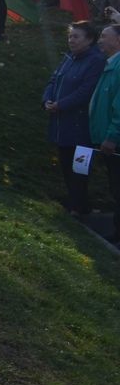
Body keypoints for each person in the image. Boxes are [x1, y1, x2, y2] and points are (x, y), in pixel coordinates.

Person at [44, 22, 105, 216]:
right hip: (62, 124)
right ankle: (77, 202)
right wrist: (47, 100)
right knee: (65, 164)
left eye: (76, 37)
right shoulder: (69, 58)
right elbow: (54, 80)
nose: (71, 40)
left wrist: (61, 104)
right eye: (70, 36)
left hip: (81, 128)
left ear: (89, 40)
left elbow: (86, 91)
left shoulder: (95, 61)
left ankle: (78, 205)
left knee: (79, 167)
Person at [90, 23, 120, 244]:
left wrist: (112, 136)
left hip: (115, 141)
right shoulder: (110, 64)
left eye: (104, 36)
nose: (99, 40)